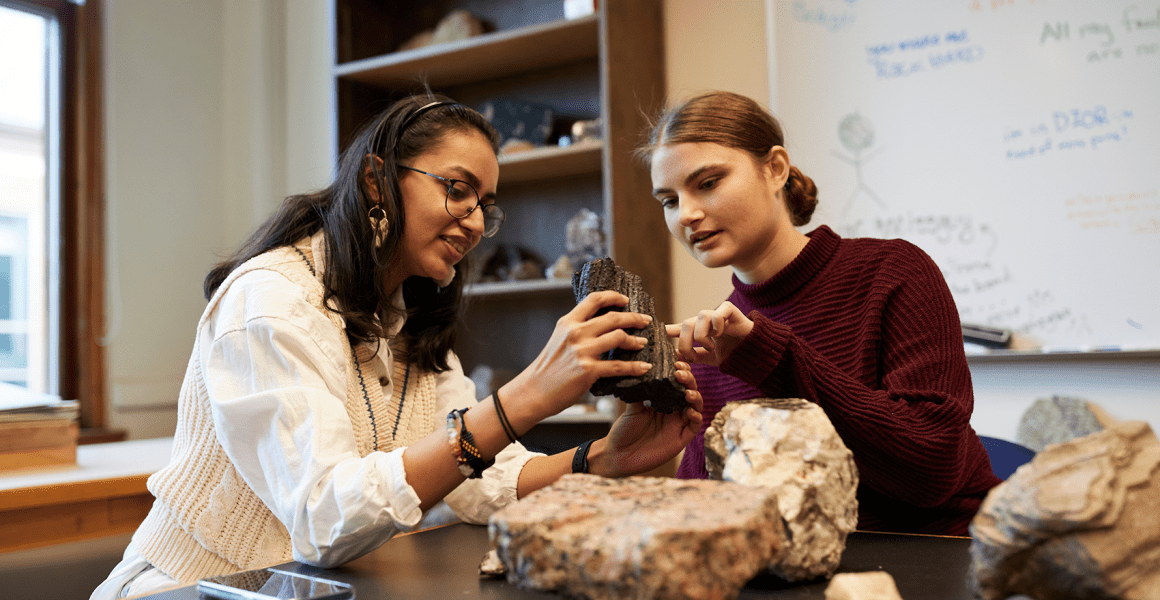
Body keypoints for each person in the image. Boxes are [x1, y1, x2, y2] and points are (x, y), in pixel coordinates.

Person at [92, 93, 703, 599]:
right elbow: (323, 519)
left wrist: (599, 460)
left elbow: (476, 480)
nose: (471, 220)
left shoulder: (409, 319)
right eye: (456, 189)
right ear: (375, 180)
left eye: (485, 206)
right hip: (189, 588)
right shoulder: (270, 301)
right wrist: (524, 398)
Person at [638, 91, 999, 536]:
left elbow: (931, 468)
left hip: (932, 553)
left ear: (775, 169)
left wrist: (771, 357)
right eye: (669, 201)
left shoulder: (894, 272)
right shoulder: (714, 345)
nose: (687, 214)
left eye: (708, 183)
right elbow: (710, 516)